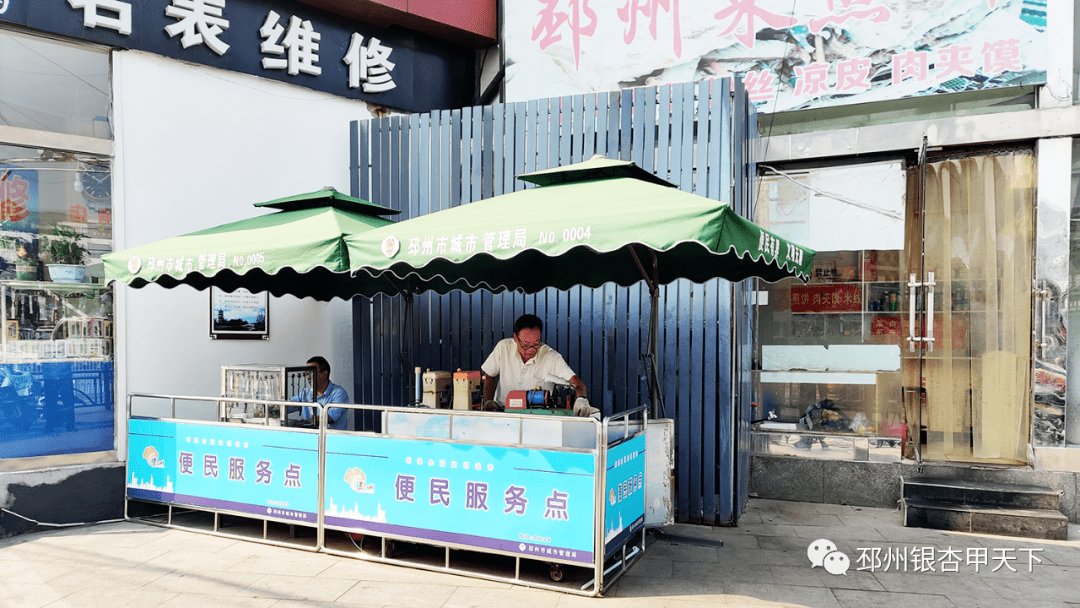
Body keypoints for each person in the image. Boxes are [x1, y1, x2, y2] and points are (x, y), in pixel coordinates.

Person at [480, 314, 598, 417]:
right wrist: (488, 401)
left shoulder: (552, 357)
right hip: (503, 414)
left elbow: (578, 384)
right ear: (515, 338)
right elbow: (489, 375)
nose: (531, 350)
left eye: (536, 344)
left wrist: (581, 399)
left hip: (538, 418)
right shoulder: (503, 347)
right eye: (526, 345)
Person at [290, 356, 350, 430]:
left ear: (324, 374)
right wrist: (276, 408)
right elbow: (291, 404)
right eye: (307, 373)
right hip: (309, 436)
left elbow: (330, 417)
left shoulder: (339, 393)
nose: (308, 377)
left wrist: (306, 422)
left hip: (331, 438)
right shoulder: (306, 393)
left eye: (311, 372)